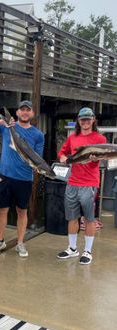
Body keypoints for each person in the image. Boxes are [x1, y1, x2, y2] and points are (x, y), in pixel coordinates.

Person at [0, 100, 44, 257]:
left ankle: (20, 243)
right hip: (4, 176)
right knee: (2, 210)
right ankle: (0, 240)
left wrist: (35, 165)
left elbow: (38, 158)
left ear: (32, 114)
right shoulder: (7, 127)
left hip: (24, 179)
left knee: (22, 211)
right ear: (17, 112)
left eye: (27, 110)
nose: (24, 112)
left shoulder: (38, 134)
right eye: (22, 110)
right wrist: (2, 121)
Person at [57, 107, 106, 265]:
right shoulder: (73, 138)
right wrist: (63, 157)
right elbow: (62, 152)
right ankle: (72, 248)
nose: (85, 122)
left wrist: (94, 159)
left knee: (89, 218)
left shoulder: (100, 139)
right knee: (71, 217)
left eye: (88, 119)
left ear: (93, 120)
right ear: (78, 121)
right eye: (82, 119)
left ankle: (88, 251)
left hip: (89, 183)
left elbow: (101, 157)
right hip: (72, 182)